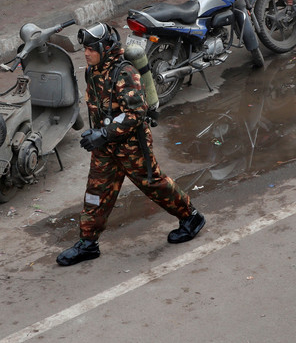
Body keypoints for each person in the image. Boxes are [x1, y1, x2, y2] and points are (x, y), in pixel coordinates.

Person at [56, 23, 205, 266]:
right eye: (84, 49)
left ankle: (191, 217)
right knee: (96, 192)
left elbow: (136, 113)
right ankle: (87, 242)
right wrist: (97, 135)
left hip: (132, 146)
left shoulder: (124, 73)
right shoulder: (93, 71)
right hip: (105, 148)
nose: (86, 53)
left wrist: (104, 133)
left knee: (153, 183)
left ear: (105, 48)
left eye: (91, 49)